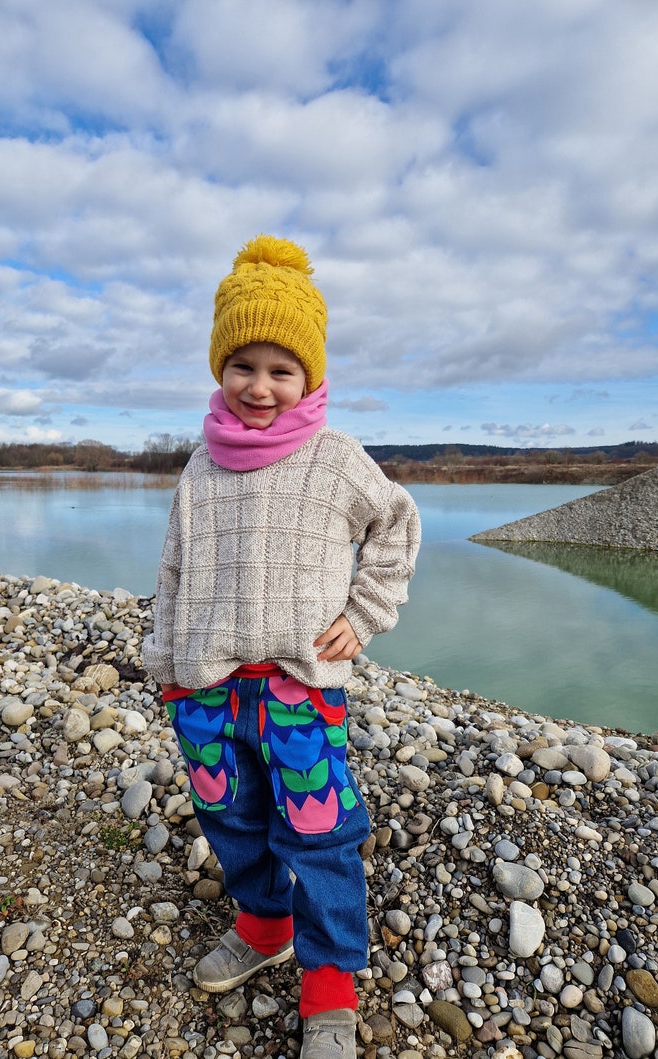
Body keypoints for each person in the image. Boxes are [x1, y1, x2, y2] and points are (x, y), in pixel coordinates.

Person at [142, 234, 420, 1059]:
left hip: (297, 686)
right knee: (231, 818)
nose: (261, 387)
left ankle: (330, 980)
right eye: (244, 365)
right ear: (220, 367)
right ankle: (264, 924)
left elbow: (398, 525)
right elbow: (173, 566)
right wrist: (166, 664)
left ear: (310, 376)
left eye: (281, 369)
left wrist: (365, 612)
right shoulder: (200, 465)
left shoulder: (335, 461)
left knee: (320, 831)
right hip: (206, 688)